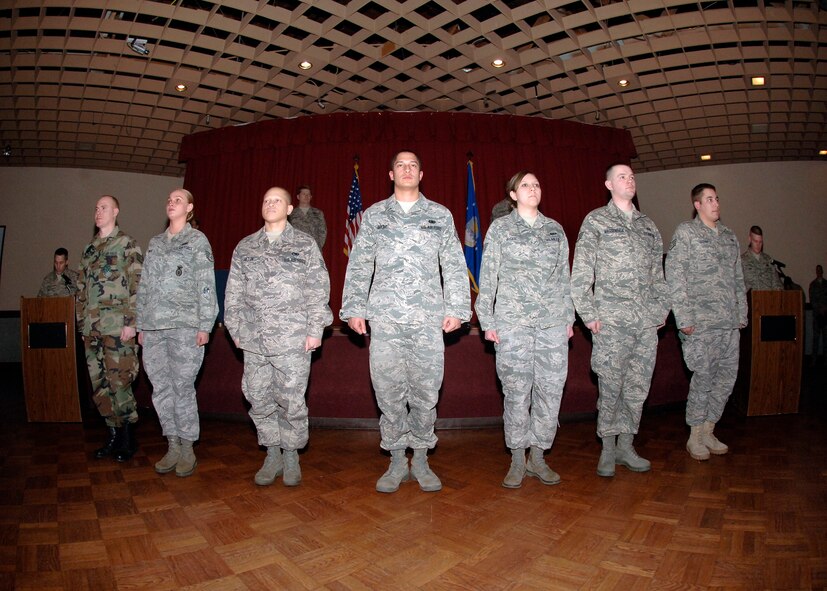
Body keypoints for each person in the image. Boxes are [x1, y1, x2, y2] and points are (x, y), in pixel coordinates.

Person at [341, 150, 471, 494]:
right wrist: (355, 307)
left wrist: (457, 307)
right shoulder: (374, 216)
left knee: (426, 392)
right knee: (388, 391)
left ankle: (423, 458)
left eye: (413, 164)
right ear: (390, 174)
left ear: (421, 173)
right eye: (401, 164)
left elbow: (454, 265)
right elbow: (359, 263)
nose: (407, 169)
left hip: (428, 320)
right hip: (385, 319)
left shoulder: (439, 215)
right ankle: (398, 459)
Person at [224, 187, 332, 487]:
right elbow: (233, 294)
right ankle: (272, 452)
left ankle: (291, 454)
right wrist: (236, 330)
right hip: (254, 338)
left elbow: (317, 289)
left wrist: (314, 330)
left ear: (289, 209)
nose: (270, 204)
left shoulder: (304, 244)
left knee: (291, 400)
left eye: (277, 200)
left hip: (293, 338)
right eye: (266, 200)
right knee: (257, 397)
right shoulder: (245, 247)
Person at [475, 171, 574, 489]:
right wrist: (487, 321)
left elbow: (564, 278)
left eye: (537, 184)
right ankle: (517, 458)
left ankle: (538, 457)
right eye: (526, 185)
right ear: (513, 195)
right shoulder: (501, 229)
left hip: (552, 324)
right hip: (513, 323)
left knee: (550, 391)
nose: (533, 189)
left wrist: (569, 319)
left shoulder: (555, 230)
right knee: (517, 393)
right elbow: (488, 276)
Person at [570, 163, 669, 478]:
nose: (630, 180)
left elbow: (659, 277)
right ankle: (608, 448)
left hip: (645, 324)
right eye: (622, 177)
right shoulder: (597, 221)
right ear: (608, 184)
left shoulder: (648, 226)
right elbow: (582, 273)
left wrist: (658, 313)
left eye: (632, 176)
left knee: (637, 386)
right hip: (611, 321)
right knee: (611, 386)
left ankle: (627, 446)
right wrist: (589, 314)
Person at [136, 189, 218, 478]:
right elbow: (144, 286)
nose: (171, 203)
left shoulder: (197, 241)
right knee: (161, 389)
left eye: (178, 200)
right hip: (154, 328)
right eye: (169, 199)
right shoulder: (156, 243)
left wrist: (205, 326)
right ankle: (171, 443)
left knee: (182, 388)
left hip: (185, 326)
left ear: (190, 208)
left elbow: (206, 285)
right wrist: (140, 325)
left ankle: (187, 447)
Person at [665, 183, 748, 461]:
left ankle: (710, 429)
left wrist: (741, 314)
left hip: (728, 324)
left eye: (717, 198)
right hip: (700, 325)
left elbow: (738, 278)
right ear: (697, 205)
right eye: (709, 199)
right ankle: (695, 435)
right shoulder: (686, 233)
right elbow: (675, 277)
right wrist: (684, 318)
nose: (716, 203)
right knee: (703, 379)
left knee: (725, 381)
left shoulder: (728, 236)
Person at [77, 195, 143, 462]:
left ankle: (128, 437)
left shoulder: (127, 244)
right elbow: (81, 290)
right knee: (100, 385)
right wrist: (83, 323)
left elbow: (138, 284)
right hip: (92, 330)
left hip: (118, 328)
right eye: (95, 208)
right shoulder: (89, 250)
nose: (98, 211)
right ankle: (113, 435)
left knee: (120, 381)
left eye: (103, 207)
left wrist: (132, 322)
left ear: (115, 211)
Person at [741, 225, 783, 291]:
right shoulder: (742, 261)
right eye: (755, 241)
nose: (758, 245)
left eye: (760, 242)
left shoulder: (768, 260)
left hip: (769, 299)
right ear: (749, 239)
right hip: (751, 300)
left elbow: (776, 284)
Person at [287, 184, 327, 251]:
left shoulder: (318, 213)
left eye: (308, 194)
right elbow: (287, 231)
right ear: (298, 197)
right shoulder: (291, 213)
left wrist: (317, 246)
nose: (306, 196)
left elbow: (323, 232)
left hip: (314, 249)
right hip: (296, 249)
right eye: (304, 194)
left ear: (311, 197)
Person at [810, 265, 827, 364]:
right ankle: (814, 359)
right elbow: (812, 299)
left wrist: (825, 308)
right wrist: (819, 308)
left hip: (826, 314)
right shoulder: (813, 284)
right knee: (815, 338)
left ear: (822, 271)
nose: (819, 271)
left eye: (820, 270)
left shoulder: (826, 284)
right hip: (817, 315)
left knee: (826, 338)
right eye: (817, 270)